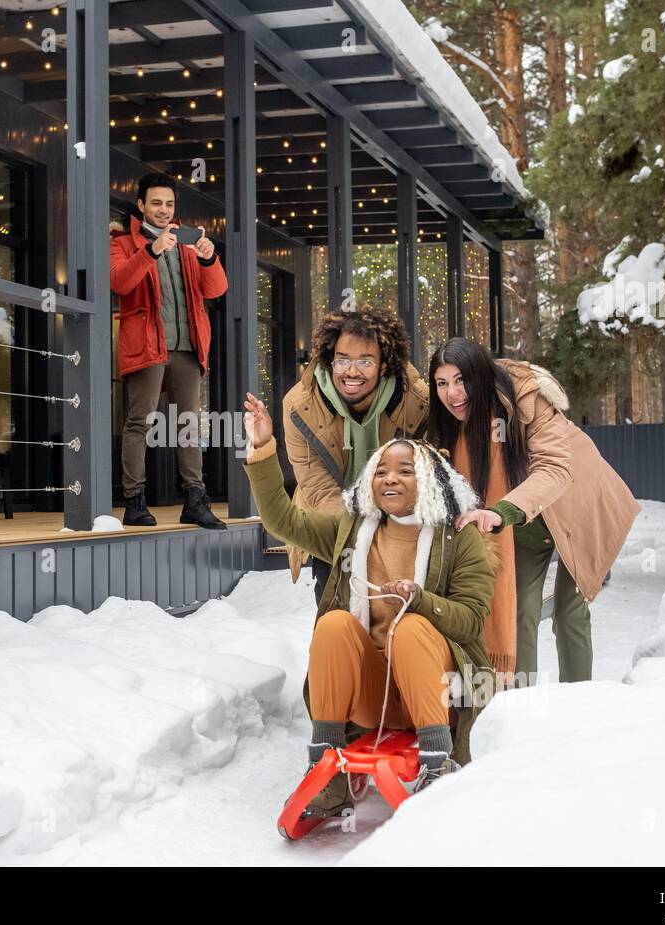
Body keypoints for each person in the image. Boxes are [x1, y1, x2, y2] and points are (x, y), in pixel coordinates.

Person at [243, 392, 496, 820]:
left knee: (412, 627)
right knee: (335, 623)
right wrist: (264, 449)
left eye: (404, 471)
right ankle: (327, 768)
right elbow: (284, 521)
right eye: (380, 471)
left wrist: (420, 601)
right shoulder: (352, 529)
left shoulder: (459, 537)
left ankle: (437, 767)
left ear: (430, 481)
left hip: (437, 693)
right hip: (372, 695)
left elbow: (471, 621)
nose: (389, 479)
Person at [425, 337, 640, 685]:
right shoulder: (449, 422)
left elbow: (554, 468)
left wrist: (502, 511)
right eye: (442, 383)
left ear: (479, 374)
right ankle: (519, 704)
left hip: (577, 505)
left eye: (462, 379)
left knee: (570, 611)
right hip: (519, 519)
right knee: (518, 608)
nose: (453, 393)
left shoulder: (528, 399)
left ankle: (577, 699)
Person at [281, 306, 429, 603]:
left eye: (365, 361)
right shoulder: (300, 406)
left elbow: (425, 473)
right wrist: (360, 534)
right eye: (342, 360)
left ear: (384, 364)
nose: (351, 371)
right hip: (331, 521)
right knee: (334, 619)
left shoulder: (417, 402)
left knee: (394, 621)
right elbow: (317, 486)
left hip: (398, 522)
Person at [110, 172, 228, 529]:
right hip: (147, 344)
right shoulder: (122, 241)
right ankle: (134, 501)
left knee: (188, 424)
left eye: (169, 204)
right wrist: (151, 250)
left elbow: (216, 290)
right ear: (142, 205)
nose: (163, 210)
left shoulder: (188, 242)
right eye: (156, 203)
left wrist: (208, 259)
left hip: (187, 348)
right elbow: (120, 282)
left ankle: (195, 498)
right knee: (139, 422)